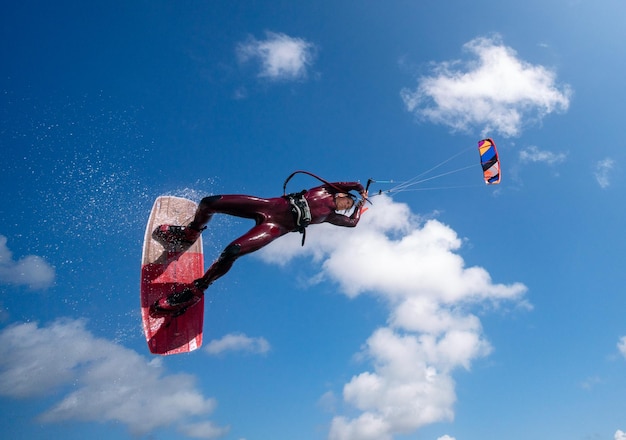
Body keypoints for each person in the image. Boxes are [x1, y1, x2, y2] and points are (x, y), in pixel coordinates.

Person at [150, 180, 368, 315]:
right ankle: (190, 233)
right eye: (347, 202)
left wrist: (359, 207)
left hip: (274, 227)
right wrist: (360, 189)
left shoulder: (330, 216)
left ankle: (196, 291)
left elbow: (353, 223)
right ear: (341, 194)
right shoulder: (324, 189)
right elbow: (351, 183)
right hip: (266, 205)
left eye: (348, 207)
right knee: (209, 202)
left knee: (232, 251)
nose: (345, 206)